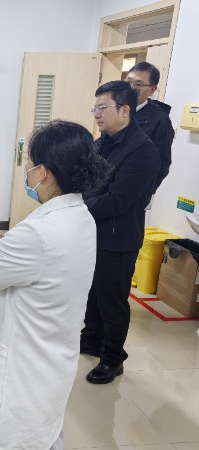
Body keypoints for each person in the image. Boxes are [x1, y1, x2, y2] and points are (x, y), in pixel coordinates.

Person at [0, 120, 111, 450]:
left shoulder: (40, 233)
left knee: (12, 437)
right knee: (45, 432)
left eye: (29, 161)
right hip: (54, 356)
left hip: (22, 368)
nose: (26, 168)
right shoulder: (81, 216)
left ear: (43, 172)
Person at [81, 80, 160, 384]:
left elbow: (118, 200)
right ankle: (91, 339)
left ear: (125, 110)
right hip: (92, 233)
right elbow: (87, 181)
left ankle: (113, 358)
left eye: (103, 108)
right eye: (95, 108)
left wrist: (77, 207)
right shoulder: (102, 142)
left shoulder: (142, 150)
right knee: (92, 293)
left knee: (112, 301)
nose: (97, 114)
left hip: (118, 238)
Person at [125, 61, 174, 193]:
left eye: (138, 84)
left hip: (133, 191)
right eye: (128, 81)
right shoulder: (116, 109)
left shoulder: (160, 120)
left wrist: (144, 195)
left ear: (152, 90)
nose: (130, 87)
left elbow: (162, 164)